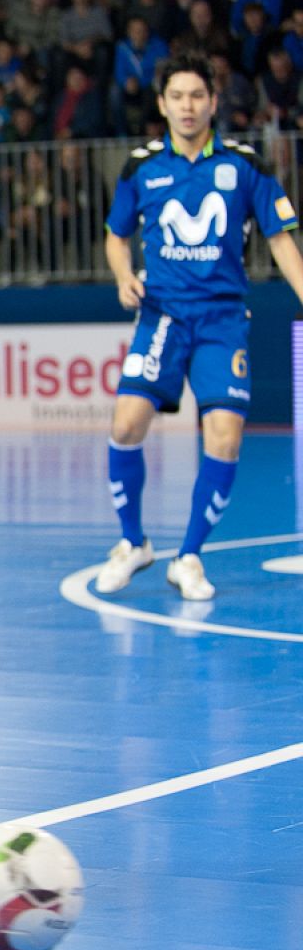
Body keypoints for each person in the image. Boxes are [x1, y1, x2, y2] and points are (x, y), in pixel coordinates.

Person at [96, 52, 303, 601]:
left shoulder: (245, 165)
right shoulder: (140, 167)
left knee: (225, 438)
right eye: (177, 97)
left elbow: (281, 237)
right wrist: (122, 276)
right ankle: (132, 543)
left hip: (222, 320)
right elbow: (117, 236)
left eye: (197, 96)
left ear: (213, 102)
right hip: (162, 316)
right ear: (162, 104)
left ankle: (189, 556)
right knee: (125, 426)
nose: (187, 106)